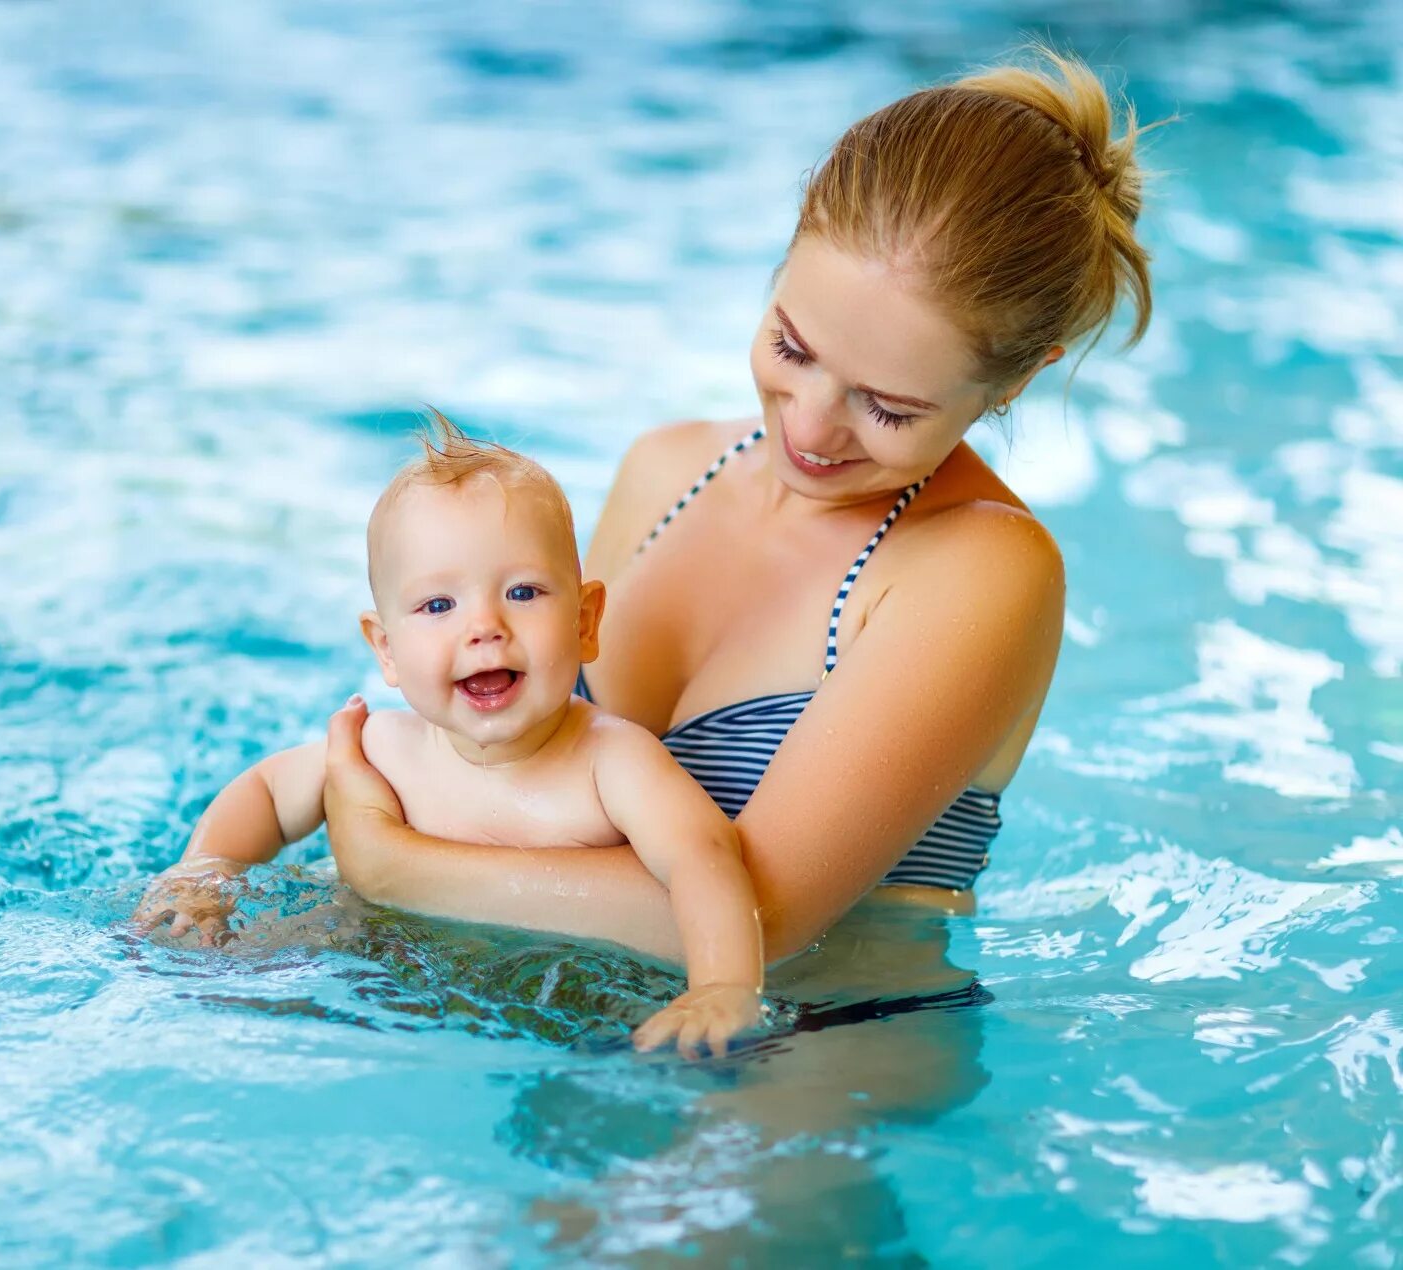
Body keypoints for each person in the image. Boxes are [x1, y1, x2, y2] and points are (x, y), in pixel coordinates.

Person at [318, 47, 1157, 965]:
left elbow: (765, 918)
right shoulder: (665, 469)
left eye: (889, 408)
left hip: (814, 1065)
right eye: (791, 348)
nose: (810, 427)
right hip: (561, 1023)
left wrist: (391, 865)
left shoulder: (980, 569)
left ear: (1014, 383)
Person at [133, 414, 766, 1056]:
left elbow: (703, 859)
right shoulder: (385, 752)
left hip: (558, 1009)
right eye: (439, 606)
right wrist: (204, 877)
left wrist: (723, 986)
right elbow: (267, 791)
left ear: (585, 621)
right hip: (370, 971)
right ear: (386, 649)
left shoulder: (614, 762)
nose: (485, 626)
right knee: (215, 983)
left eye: (522, 592)